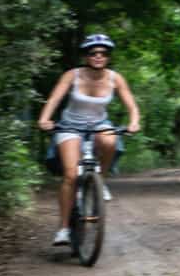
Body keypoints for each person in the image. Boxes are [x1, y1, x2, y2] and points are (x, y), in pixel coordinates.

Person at [37, 32, 142, 247]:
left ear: (108, 57)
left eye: (103, 53)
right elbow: (55, 98)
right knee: (70, 175)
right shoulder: (72, 75)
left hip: (99, 124)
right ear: (86, 56)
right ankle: (64, 229)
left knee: (110, 141)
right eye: (93, 53)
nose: (98, 56)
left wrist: (134, 121)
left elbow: (131, 104)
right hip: (70, 126)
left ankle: (100, 179)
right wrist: (45, 118)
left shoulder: (115, 78)